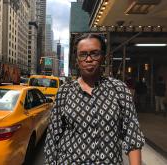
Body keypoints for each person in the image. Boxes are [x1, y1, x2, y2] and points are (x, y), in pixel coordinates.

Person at [44, 33, 145, 165]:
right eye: (83, 54)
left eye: (95, 53)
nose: (89, 59)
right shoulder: (65, 91)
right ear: (77, 59)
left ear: (103, 57)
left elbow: (132, 137)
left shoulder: (119, 89)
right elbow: (53, 138)